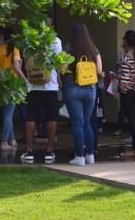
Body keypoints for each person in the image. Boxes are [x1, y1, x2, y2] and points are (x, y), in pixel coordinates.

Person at [63, 22, 103, 166]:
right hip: (90, 89)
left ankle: (79, 156)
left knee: (77, 124)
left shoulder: (68, 48)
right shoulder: (93, 49)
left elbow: (62, 69)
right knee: (87, 123)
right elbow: (99, 71)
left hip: (73, 88)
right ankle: (90, 155)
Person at [20, 33, 62, 165]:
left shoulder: (29, 40)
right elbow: (59, 62)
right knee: (52, 118)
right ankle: (49, 151)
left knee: (31, 117)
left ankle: (29, 151)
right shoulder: (55, 40)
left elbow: (26, 60)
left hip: (32, 85)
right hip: (51, 85)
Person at [0, 26, 26, 152]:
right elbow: (17, 68)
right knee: (9, 115)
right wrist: (25, 80)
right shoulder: (14, 49)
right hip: (12, 84)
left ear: (3, 36)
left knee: (7, 113)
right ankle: (4, 142)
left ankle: (12, 139)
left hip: (0, 84)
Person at [117, 30, 135, 158]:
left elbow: (124, 78)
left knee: (132, 120)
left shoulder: (125, 57)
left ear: (126, 41)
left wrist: (119, 85)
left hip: (128, 92)